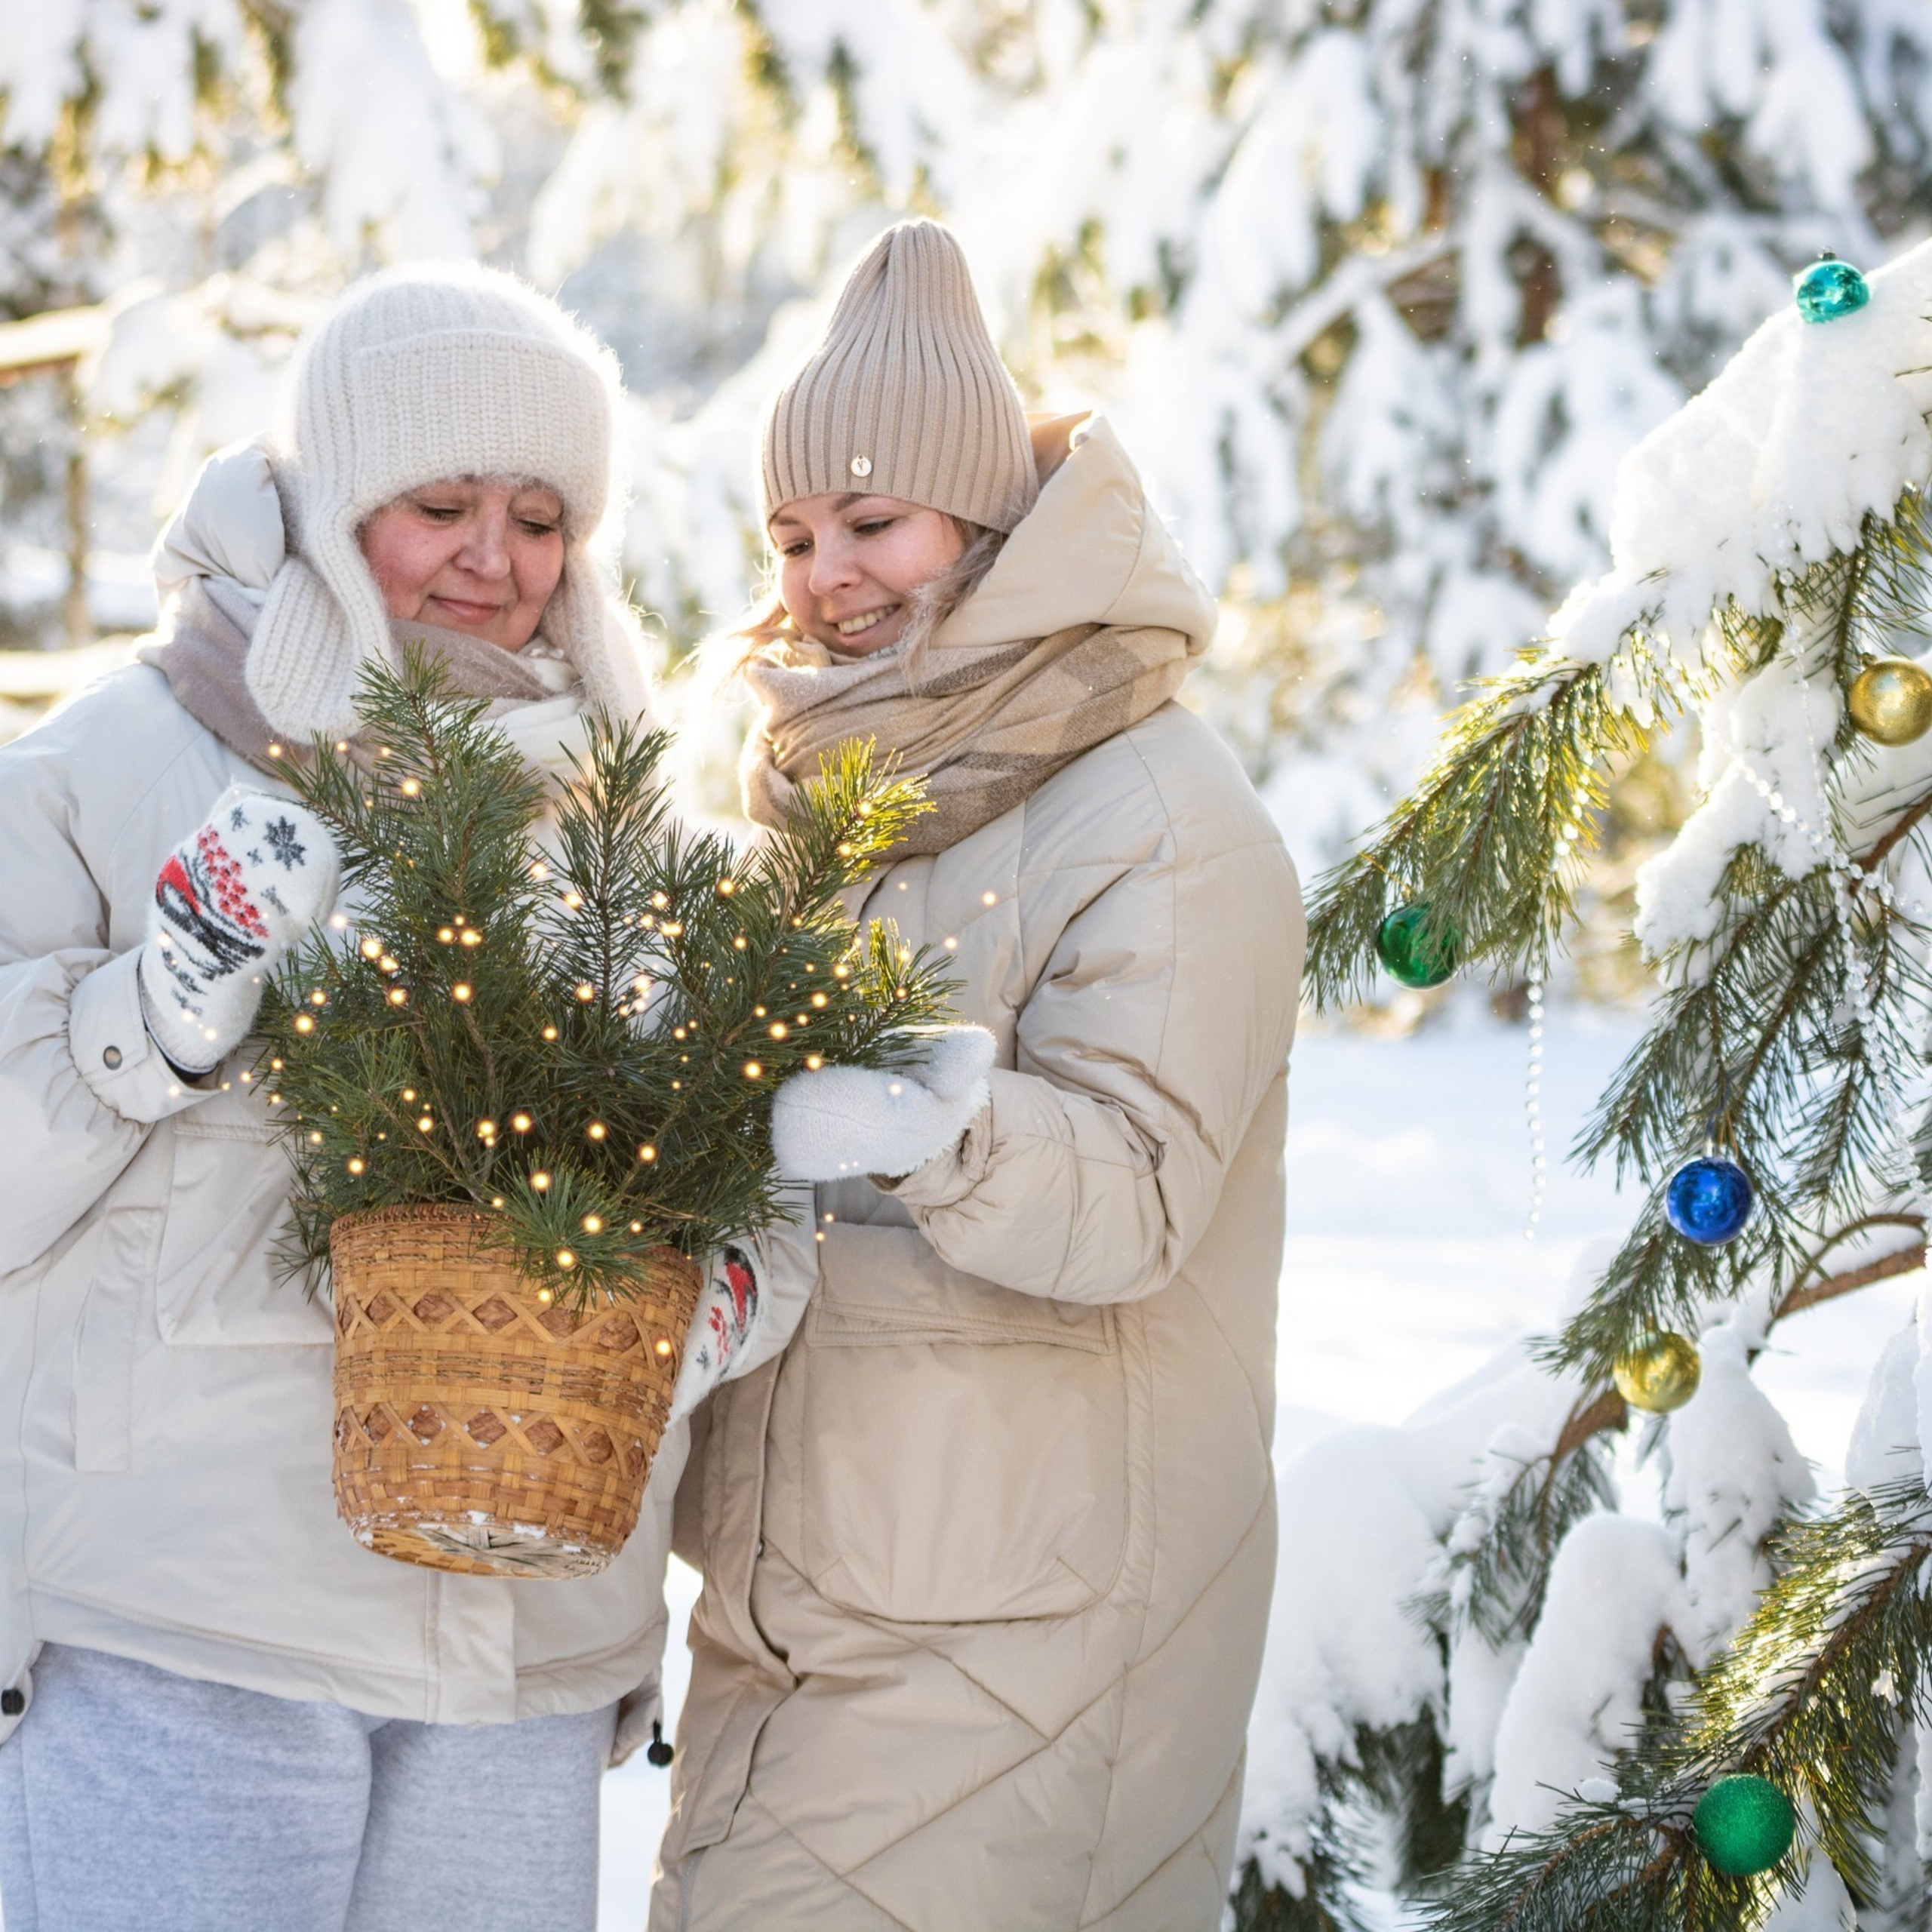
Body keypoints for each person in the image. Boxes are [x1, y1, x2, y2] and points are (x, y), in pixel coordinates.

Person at [0, 264, 827, 1932]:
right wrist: (151, 1011)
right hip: (188, 1627)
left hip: (522, 1650)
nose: (493, 558)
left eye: (539, 516)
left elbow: (761, 1191)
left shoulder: (627, 835)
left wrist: (706, 1307)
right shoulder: (114, 765)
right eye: (438, 502)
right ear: (326, 501)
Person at [654, 220, 1306, 1930]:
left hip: (1033, 1643)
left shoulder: (1159, 813)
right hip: (806, 1606)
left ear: (989, 527)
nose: (821, 574)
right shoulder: (832, 787)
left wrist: (940, 1124)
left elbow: (1142, 1194)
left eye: (870, 521)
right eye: (791, 533)